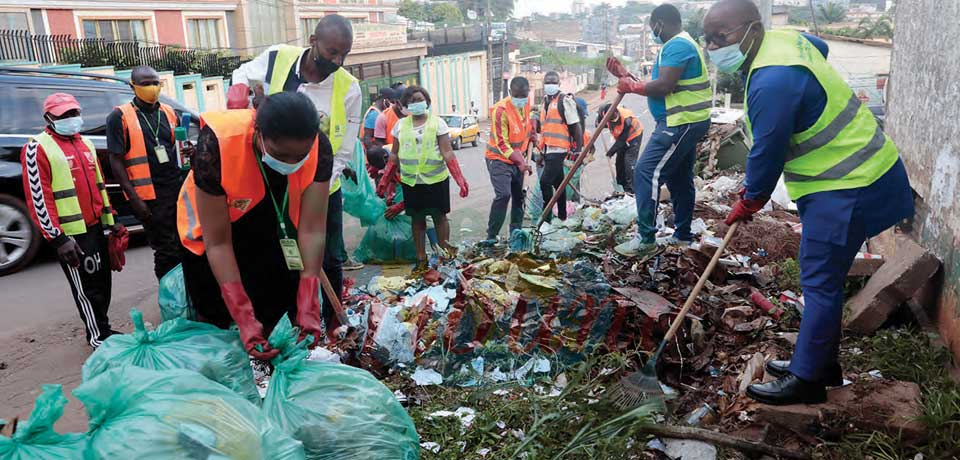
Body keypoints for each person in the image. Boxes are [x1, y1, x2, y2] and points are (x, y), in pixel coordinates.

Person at [704, 0, 913, 405]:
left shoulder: (772, 81)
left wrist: (749, 202)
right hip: (862, 172)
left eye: (721, 36)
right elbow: (821, 47)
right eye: (708, 39)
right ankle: (821, 362)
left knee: (819, 281)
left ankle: (808, 381)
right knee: (823, 277)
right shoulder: (786, 42)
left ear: (750, 29)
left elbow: (767, 153)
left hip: (851, 184)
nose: (714, 46)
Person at [178, 92, 333, 360]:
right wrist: (243, 315)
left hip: (272, 224)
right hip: (215, 234)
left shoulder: (320, 147)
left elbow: (312, 229)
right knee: (218, 320)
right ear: (258, 133)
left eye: (300, 156)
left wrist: (308, 299)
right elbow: (218, 243)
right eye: (282, 154)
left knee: (279, 303)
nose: (291, 163)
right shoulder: (216, 145)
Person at [228, 14, 363, 304]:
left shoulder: (349, 88)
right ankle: (287, 315)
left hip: (322, 186)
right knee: (278, 255)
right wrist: (239, 88)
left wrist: (317, 189)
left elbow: (343, 150)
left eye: (345, 54)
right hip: (271, 182)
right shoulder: (278, 58)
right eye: (332, 52)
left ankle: (332, 322)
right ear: (314, 41)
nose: (338, 61)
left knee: (326, 258)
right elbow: (243, 73)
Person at [23, 93, 127, 348]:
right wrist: (58, 239)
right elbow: (39, 198)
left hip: (94, 227)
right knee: (86, 287)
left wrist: (111, 219)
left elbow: (99, 186)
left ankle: (104, 328)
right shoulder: (37, 148)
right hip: (70, 235)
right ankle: (97, 336)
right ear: (49, 118)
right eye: (64, 116)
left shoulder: (85, 144)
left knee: (102, 281)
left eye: (74, 113)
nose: (71, 119)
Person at [609, 3, 713, 257]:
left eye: (652, 28)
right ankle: (682, 235)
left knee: (646, 171)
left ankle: (646, 238)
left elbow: (664, 86)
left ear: (660, 23)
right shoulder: (680, 44)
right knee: (679, 177)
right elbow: (657, 83)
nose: (653, 31)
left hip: (680, 122)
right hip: (686, 121)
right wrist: (627, 76)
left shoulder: (677, 45)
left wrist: (630, 86)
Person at [106, 65, 189, 281]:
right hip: (149, 197)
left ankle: (187, 295)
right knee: (166, 250)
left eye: (155, 83)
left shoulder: (169, 113)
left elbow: (176, 149)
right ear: (133, 86)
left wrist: (188, 150)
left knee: (185, 244)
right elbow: (115, 161)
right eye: (145, 83)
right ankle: (170, 297)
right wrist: (134, 199)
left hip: (175, 189)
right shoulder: (119, 117)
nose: (152, 87)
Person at [377, 86, 469, 270]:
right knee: (417, 220)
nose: (416, 103)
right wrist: (384, 179)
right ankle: (421, 259)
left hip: (436, 181)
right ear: (404, 106)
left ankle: (444, 256)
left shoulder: (438, 124)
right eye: (411, 101)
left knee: (439, 218)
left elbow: (447, 153)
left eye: (419, 99)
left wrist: (460, 179)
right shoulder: (400, 126)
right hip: (412, 182)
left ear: (427, 101)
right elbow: (394, 155)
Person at [483, 77, 532, 244]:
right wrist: (521, 163)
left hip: (518, 157)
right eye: (517, 95)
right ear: (510, 92)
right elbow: (502, 144)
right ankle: (492, 235)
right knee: (503, 195)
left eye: (524, 95)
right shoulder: (500, 110)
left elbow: (525, 124)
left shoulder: (526, 103)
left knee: (519, 196)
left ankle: (515, 232)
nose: (521, 98)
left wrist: (532, 134)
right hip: (498, 159)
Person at [537, 71, 583, 222]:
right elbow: (544, 128)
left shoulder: (564, 100)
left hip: (560, 148)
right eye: (547, 82)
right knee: (559, 184)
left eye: (553, 82)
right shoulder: (544, 102)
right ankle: (563, 216)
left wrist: (578, 149)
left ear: (558, 84)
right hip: (548, 148)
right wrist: (541, 153)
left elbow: (575, 126)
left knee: (545, 182)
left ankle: (547, 218)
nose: (550, 85)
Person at [597, 103, 644, 193]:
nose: (612, 121)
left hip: (634, 136)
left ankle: (631, 189)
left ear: (616, 113)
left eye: (614, 119)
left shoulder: (627, 119)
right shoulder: (604, 113)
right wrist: (599, 124)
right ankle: (621, 186)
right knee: (619, 162)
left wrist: (611, 152)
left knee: (629, 163)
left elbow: (622, 140)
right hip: (621, 138)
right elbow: (599, 122)